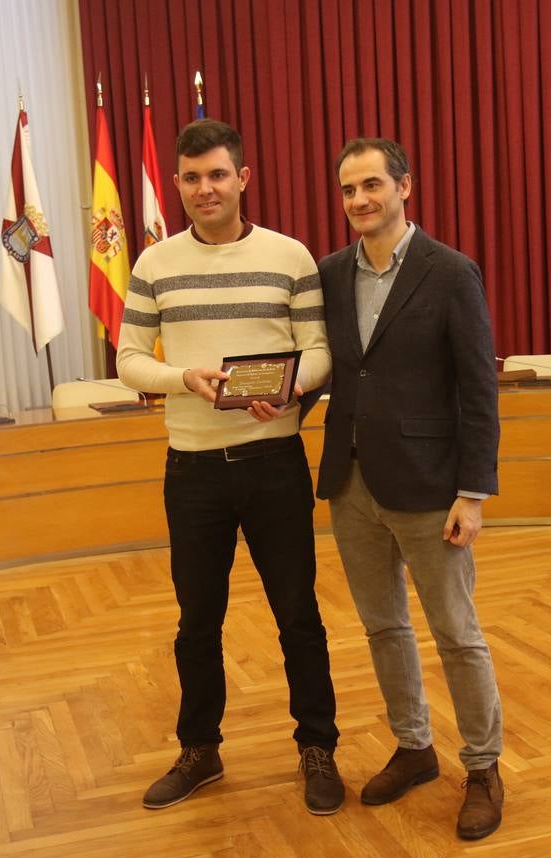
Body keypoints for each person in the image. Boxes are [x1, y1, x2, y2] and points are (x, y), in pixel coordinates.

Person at [117, 118, 344, 815]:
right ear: (178, 184)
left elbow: (320, 350)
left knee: (298, 615)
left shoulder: (291, 257)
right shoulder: (154, 265)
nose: (204, 188)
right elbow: (128, 362)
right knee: (197, 621)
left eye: (217, 174)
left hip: (274, 459)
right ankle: (200, 749)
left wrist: (286, 389)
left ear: (243, 178)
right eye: (190, 177)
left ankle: (317, 748)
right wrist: (182, 376)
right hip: (191, 470)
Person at [314, 138, 505, 840]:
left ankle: (483, 766)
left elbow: (478, 387)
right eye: (347, 190)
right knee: (383, 627)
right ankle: (415, 746)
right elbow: (333, 369)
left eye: (371, 185)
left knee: (456, 633)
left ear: (404, 187)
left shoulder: (450, 272)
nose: (358, 200)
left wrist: (473, 491)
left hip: (431, 488)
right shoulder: (331, 274)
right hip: (351, 483)